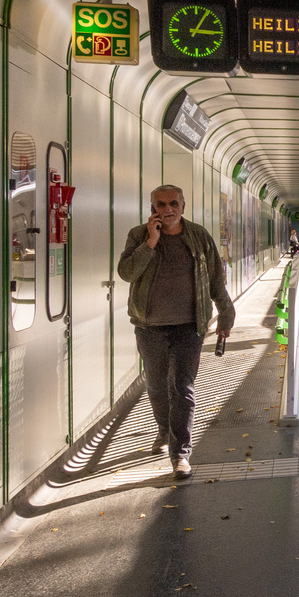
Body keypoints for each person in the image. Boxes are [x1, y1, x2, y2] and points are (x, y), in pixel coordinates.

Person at [116, 184, 236, 478]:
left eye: (173, 203)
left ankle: (180, 454)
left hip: (189, 327)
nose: (167, 209)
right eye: (160, 204)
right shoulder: (138, 235)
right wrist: (151, 242)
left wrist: (225, 311)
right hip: (149, 327)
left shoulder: (199, 237)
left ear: (183, 206)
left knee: (182, 388)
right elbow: (127, 273)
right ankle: (163, 428)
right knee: (157, 387)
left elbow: (215, 279)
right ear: (152, 208)